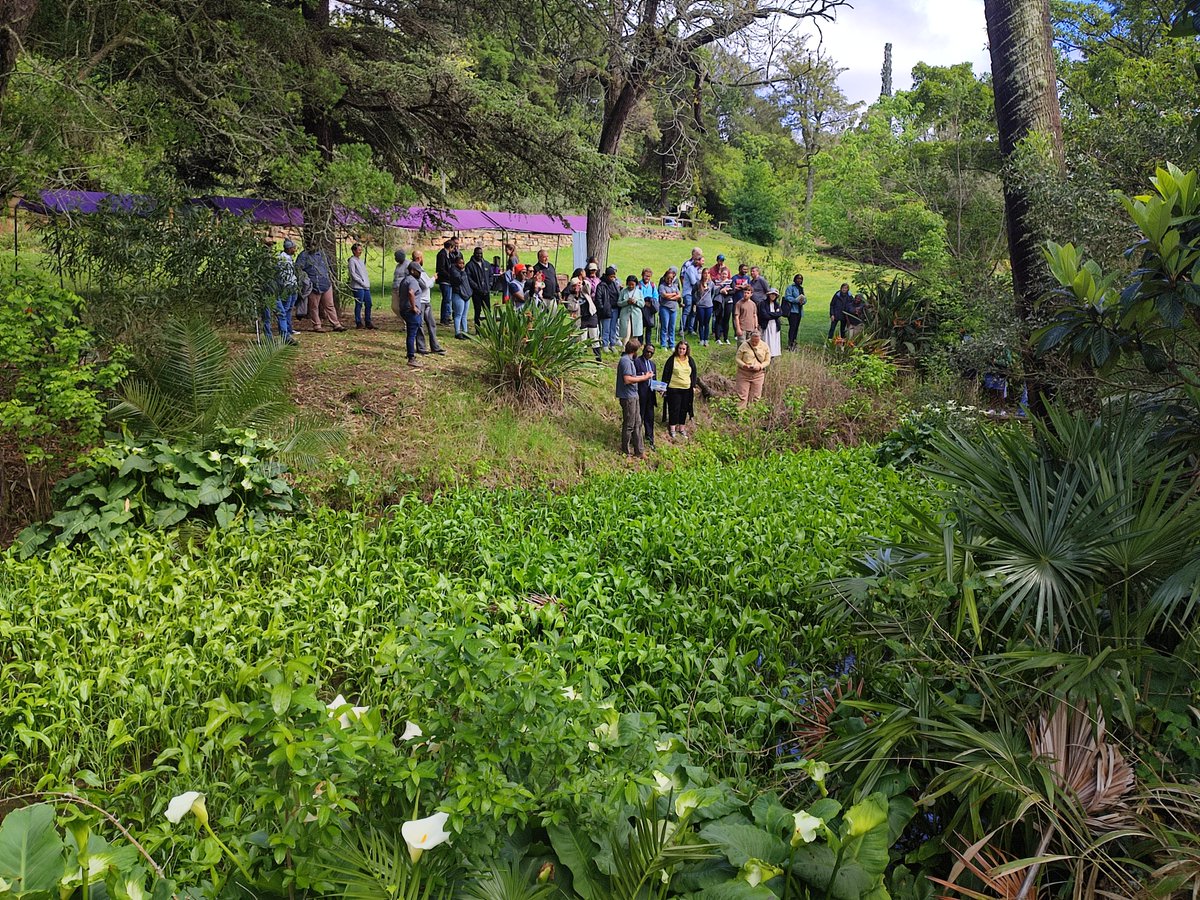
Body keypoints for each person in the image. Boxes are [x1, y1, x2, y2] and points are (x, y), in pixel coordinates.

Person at [298, 240, 345, 333]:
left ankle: (336, 324)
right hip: (313, 285)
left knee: (330, 305)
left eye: (314, 245)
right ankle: (317, 325)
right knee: (314, 306)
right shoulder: (303, 256)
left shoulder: (322, 254)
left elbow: (329, 267)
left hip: (325, 283)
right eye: (311, 245)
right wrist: (305, 280)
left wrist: (330, 278)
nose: (313, 247)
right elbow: (298, 269)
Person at [617, 338, 651, 459]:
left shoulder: (630, 360)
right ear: (634, 350)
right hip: (628, 397)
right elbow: (627, 379)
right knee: (629, 424)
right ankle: (625, 451)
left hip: (633, 395)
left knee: (638, 423)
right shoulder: (625, 361)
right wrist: (644, 378)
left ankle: (639, 451)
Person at [264, 238, 299, 345]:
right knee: (267, 317)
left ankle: (285, 336)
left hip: (275, 291)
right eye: (269, 246)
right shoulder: (265, 261)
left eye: (272, 246)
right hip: (266, 292)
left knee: (282, 313)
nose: (271, 248)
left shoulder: (276, 259)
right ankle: (269, 338)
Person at [660, 340, 697, 440]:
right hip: (674, 388)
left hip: (686, 389)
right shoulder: (672, 360)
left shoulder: (690, 360)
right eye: (680, 348)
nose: (681, 350)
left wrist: (693, 386)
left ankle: (682, 428)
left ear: (687, 350)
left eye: (683, 349)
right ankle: (672, 428)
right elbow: (666, 373)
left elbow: (693, 373)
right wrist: (663, 387)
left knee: (684, 409)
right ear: (677, 349)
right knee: (674, 409)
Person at [410, 253, 445, 355]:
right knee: (420, 324)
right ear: (419, 258)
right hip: (420, 301)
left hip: (426, 301)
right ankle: (421, 347)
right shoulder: (415, 271)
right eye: (422, 257)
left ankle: (435, 346)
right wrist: (434, 278)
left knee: (431, 323)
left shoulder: (421, 269)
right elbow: (426, 285)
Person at [398, 261, 424, 367]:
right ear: (412, 271)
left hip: (404, 309)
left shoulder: (405, 279)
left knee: (411, 333)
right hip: (410, 311)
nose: (420, 274)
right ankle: (411, 358)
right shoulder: (412, 281)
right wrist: (414, 307)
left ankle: (410, 353)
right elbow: (411, 292)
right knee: (412, 334)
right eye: (418, 272)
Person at [735, 332, 771, 408]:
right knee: (742, 396)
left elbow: (767, 360)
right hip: (744, 373)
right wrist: (743, 365)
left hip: (758, 374)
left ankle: (752, 415)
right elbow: (737, 358)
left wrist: (761, 366)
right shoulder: (744, 345)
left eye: (756, 341)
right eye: (753, 341)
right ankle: (740, 415)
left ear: (760, 339)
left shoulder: (764, 346)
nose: (754, 343)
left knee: (755, 397)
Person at [635, 344, 659, 451]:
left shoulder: (653, 364)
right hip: (640, 394)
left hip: (650, 394)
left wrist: (660, 388)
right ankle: (636, 439)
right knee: (639, 417)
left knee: (650, 418)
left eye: (651, 353)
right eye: (647, 351)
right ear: (643, 350)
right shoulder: (637, 362)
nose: (649, 354)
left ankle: (650, 439)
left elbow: (654, 380)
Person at [576, 273, 603, 363]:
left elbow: (588, 286)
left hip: (591, 316)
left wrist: (582, 282)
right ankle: (581, 358)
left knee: (594, 337)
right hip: (581, 318)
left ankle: (598, 358)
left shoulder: (586, 292)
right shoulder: (573, 296)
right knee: (582, 338)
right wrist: (575, 291)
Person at [435, 238, 462, 325]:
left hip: (448, 280)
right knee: (446, 299)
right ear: (450, 247)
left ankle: (447, 315)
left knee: (448, 299)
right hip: (444, 280)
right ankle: (444, 318)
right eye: (453, 248)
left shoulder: (447, 255)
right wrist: (449, 275)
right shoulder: (442, 255)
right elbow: (441, 268)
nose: (453, 250)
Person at [348, 242, 374, 330]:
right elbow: (353, 274)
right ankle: (358, 322)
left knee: (369, 303)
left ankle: (368, 321)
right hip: (358, 286)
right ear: (354, 251)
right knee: (359, 304)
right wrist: (361, 282)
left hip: (365, 286)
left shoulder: (361, 260)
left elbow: (363, 273)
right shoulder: (352, 260)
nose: (360, 251)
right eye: (359, 250)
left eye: (361, 250)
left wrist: (366, 282)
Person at [466, 247, 492, 331]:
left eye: (481, 253)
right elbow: (469, 278)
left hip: (486, 291)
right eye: (477, 253)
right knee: (477, 310)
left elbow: (491, 276)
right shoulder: (470, 265)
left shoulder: (487, 264)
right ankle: (478, 329)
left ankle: (490, 328)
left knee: (488, 310)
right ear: (474, 253)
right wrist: (476, 287)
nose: (479, 255)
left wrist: (490, 285)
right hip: (476, 292)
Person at [595, 265, 620, 352]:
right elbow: (598, 298)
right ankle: (605, 344)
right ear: (607, 276)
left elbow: (617, 294)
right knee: (606, 328)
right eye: (611, 276)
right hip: (606, 310)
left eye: (614, 277)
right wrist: (602, 308)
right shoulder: (601, 285)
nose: (613, 278)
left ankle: (612, 344)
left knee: (613, 328)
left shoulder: (614, 284)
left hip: (615, 309)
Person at [679, 247, 704, 334]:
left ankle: (691, 328)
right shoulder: (690, 268)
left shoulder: (698, 270)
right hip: (688, 292)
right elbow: (694, 281)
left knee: (693, 311)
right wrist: (701, 282)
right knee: (687, 310)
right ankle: (682, 329)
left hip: (695, 293)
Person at [446, 255, 472, 338]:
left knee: (464, 315)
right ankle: (457, 332)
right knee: (458, 314)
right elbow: (459, 280)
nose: (462, 265)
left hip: (466, 294)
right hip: (458, 294)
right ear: (456, 263)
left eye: (463, 263)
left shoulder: (464, 271)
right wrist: (463, 272)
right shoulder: (453, 271)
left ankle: (465, 331)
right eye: (460, 263)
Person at [710, 254, 733, 345]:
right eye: (723, 274)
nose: (721, 262)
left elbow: (733, 290)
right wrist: (721, 290)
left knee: (726, 319)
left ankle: (726, 337)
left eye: (726, 274)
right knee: (718, 318)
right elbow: (714, 289)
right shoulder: (715, 275)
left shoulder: (730, 281)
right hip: (719, 300)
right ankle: (717, 337)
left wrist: (726, 292)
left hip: (728, 301)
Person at [657, 267, 681, 349]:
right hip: (665, 308)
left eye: (671, 278)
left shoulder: (674, 285)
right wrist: (673, 294)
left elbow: (679, 295)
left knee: (672, 327)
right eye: (668, 278)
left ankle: (672, 344)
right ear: (665, 277)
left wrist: (671, 297)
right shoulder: (662, 286)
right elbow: (664, 295)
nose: (670, 279)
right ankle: (663, 344)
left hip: (673, 308)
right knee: (665, 326)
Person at [617, 274, 645, 343]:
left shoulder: (639, 292)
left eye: (633, 285)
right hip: (625, 314)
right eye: (629, 284)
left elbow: (642, 304)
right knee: (626, 333)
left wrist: (636, 302)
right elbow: (619, 303)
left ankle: (634, 350)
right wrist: (627, 302)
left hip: (636, 315)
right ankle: (624, 348)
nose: (631, 286)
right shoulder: (623, 291)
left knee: (635, 334)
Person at [758, 287, 783, 358]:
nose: (773, 296)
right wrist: (774, 314)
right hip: (767, 325)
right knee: (767, 339)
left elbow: (780, 313)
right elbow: (764, 315)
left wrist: (770, 313)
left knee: (774, 340)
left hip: (775, 326)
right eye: (772, 294)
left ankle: (773, 355)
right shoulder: (763, 303)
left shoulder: (777, 304)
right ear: (768, 295)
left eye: (774, 295)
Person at [783, 274, 806, 350]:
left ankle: (794, 342)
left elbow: (804, 298)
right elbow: (787, 297)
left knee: (796, 327)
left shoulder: (801, 288)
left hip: (799, 310)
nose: (799, 280)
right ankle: (790, 343)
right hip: (792, 310)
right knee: (792, 327)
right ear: (795, 279)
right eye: (798, 279)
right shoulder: (790, 288)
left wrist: (803, 301)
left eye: (801, 279)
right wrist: (796, 300)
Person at [694, 268, 715, 346]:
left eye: (708, 273)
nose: (706, 275)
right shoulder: (698, 283)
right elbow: (693, 292)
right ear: (702, 274)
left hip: (709, 306)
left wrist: (710, 300)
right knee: (701, 322)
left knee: (707, 323)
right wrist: (696, 301)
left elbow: (713, 293)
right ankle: (701, 339)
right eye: (705, 273)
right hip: (700, 306)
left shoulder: (711, 284)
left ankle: (706, 339)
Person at [639, 268, 658, 349]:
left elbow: (656, 296)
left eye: (649, 276)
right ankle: (640, 342)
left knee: (649, 326)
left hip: (650, 308)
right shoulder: (639, 285)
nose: (647, 278)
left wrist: (652, 303)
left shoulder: (652, 285)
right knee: (641, 326)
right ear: (642, 275)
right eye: (646, 276)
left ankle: (648, 343)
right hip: (642, 307)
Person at [390, 248, 407, 317]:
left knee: (403, 307)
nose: (395, 258)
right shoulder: (398, 265)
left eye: (396, 257)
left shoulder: (408, 265)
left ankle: (407, 323)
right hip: (395, 288)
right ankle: (404, 320)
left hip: (402, 289)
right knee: (394, 307)